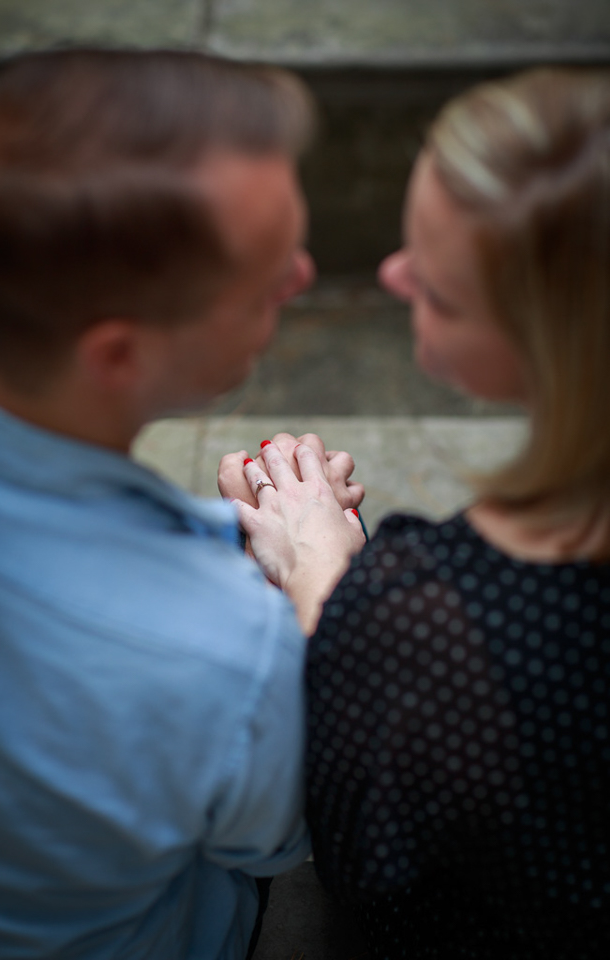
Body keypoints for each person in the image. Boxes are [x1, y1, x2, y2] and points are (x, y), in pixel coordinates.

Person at [0, 49, 366, 959]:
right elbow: (286, 839)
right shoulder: (221, 655)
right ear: (118, 357)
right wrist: (314, 588)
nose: (304, 276)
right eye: (266, 280)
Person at [220, 67, 610, 957]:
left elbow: (371, 863)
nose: (392, 274)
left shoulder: (441, 611)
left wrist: (321, 570)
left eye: (437, 289)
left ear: (547, 343)